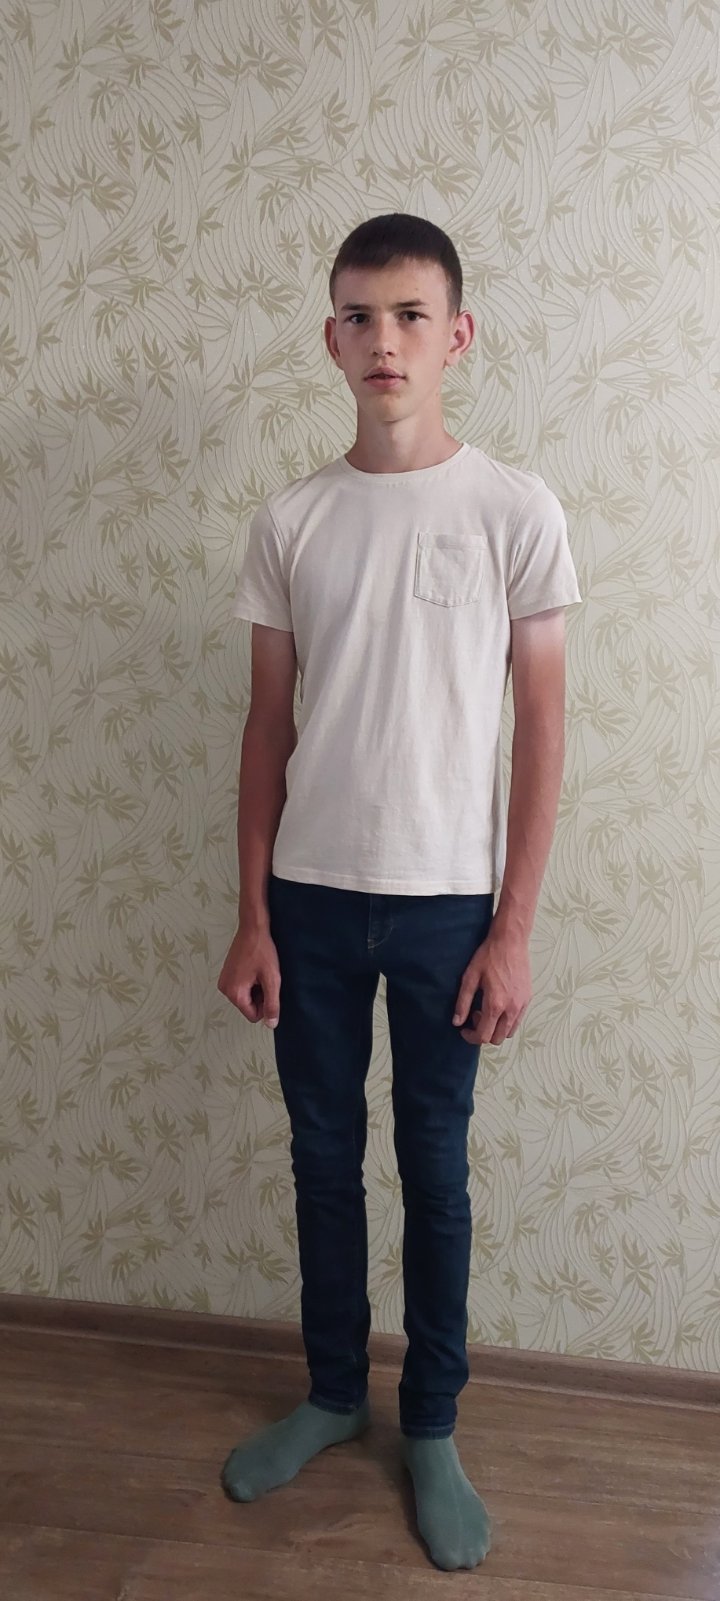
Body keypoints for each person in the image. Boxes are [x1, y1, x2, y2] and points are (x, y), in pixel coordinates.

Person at [217, 212, 583, 1571]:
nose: (387, 340)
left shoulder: (514, 510)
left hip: (448, 909)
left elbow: (542, 729)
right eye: (362, 316)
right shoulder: (293, 519)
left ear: (457, 334)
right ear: (331, 339)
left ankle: (430, 1421)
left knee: (434, 1165)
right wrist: (252, 915)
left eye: (412, 314)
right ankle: (331, 1391)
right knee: (322, 1156)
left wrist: (514, 931)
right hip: (309, 899)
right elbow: (267, 727)